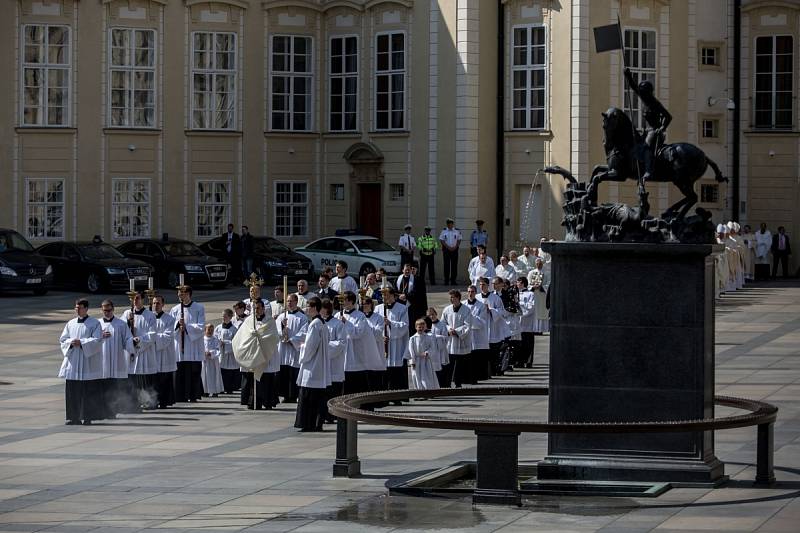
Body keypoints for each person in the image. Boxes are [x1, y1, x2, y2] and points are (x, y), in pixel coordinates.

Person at [59, 299, 104, 425]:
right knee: (73, 391)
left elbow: (97, 340)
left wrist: (82, 342)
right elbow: (63, 339)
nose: (77, 309)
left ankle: (88, 417)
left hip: (86, 362)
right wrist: (71, 343)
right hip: (73, 362)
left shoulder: (94, 323)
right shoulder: (71, 323)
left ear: (86, 309)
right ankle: (74, 417)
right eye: (76, 307)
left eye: (79, 307)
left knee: (87, 392)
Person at [624, 67, 672, 183]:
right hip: (647, 131)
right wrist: (628, 76)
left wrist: (662, 128)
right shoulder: (645, 100)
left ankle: (649, 171)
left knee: (646, 147)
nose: (641, 94)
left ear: (648, 92)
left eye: (643, 91)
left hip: (655, 132)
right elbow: (634, 88)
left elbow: (668, 116)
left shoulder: (654, 103)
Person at [294, 297, 331, 432]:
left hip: (313, 365)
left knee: (310, 395)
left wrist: (302, 347)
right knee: (317, 395)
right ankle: (315, 422)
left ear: (315, 308)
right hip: (318, 364)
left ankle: (310, 423)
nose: (306, 309)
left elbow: (311, 346)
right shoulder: (321, 323)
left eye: (308, 306)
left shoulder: (315, 324)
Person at [99, 299, 136, 418]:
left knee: (114, 387)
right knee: (103, 387)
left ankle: (113, 411)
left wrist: (133, 342)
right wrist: (100, 336)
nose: (107, 313)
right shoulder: (97, 324)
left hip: (116, 360)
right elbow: (89, 340)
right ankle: (102, 410)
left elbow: (127, 340)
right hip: (102, 362)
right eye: (105, 311)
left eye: (109, 310)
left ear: (113, 309)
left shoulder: (121, 324)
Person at [169, 285, 206, 403]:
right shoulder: (174, 309)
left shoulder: (199, 308)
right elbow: (170, 327)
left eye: (183, 294)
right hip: (179, 345)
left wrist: (187, 327)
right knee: (179, 372)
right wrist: (177, 325)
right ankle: (179, 395)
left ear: (189, 294)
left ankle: (193, 395)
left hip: (192, 346)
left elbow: (201, 327)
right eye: (179, 294)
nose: (180, 296)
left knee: (193, 371)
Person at [122, 292, 157, 410]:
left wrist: (139, 341)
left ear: (143, 299)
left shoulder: (150, 315)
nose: (135, 301)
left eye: (137, 298)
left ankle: (149, 402)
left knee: (144, 378)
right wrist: (128, 323)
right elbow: (122, 330)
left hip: (144, 352)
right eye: (133, 299)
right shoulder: (127, 313)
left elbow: (152, 334)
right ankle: (133, 403)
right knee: (132, 379)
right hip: (131, 351)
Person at [340, 291, 379, 394]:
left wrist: (346, 323)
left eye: (345, 300)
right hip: (342, 352)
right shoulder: (338, 315)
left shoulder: (360, 316)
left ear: (352, 301)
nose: (342, 302)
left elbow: (358, 333)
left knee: (356, 380)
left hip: (355, 352)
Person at [375, 289, 410, 396]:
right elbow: (374, 325)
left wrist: (390, 323)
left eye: (386, 295)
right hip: (383, 343)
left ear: (393, 296)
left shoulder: (402, 308)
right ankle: (384, 395)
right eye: (382, 295)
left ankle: (398, 397)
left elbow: (404, 325)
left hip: (397, 344)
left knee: (396, 371)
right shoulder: (378, 308)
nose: (384, 297)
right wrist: (381, 336)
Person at [277, 293, 308, 403]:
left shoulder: (302, 317)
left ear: (296, 302)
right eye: (288, 301)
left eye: (291, 301)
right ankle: (285, 395)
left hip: (294, 349)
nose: (289, 303)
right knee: (284, 372)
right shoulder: (281, 317)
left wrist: (292, 340)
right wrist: (282, 329)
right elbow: (276, 331)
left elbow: (304, 332)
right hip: (283, 349)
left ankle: (294, 395)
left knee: (293, 372)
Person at [321, 298, 346, 423]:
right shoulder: (319, 323)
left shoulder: (337, 324)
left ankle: (334, 414)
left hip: (334, 362)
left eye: (321, 308)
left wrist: (325, 346)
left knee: (334, 390)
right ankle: (325, 414)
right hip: (323, 363)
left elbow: (341, 343)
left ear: (326, 309)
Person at [441, 289, 472, 387]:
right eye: (450, 297)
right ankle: (447, 383)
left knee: (459, 365)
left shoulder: (466, 310)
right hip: (450, 340)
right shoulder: (447, 309)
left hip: (460, 341)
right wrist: (449, 329)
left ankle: (458, 383)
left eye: (453, 297)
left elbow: (468, 325)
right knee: (449, 364)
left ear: (458, 298)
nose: (451, 299)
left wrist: (457, 331)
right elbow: (443, 323)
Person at [152, 295, 176, 409]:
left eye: (158, 303)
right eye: (154, 303)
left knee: (164, 378)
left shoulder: (169, 319)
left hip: (165, 353)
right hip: (152, 353)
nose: (155, 305)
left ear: (163, 305)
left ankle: (164, 401)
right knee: (154, 379)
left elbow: (167, 336)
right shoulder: (149, 318)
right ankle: (153, 401)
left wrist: (152, 337)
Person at [463, 285, 490, 383]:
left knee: (475, 358)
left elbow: (482, 322)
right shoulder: (463, 305)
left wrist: (471, 317)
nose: (470, 293)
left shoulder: (481, 305)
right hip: (465, 334)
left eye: (473, 292)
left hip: (477, 335)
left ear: (475, 292)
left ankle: (476, 377)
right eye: (469, 291)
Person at [408, 318, 439, 390]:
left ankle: (428, 391)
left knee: (426, 376)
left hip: (426, 360)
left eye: (422, 327)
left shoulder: (428, 337)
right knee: (416, 376)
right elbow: (411, 350)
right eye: (419, 327)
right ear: (416, 327)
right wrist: (412, 361)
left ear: (425, 327)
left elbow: (432, 347)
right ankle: (419, 391)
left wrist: (427, 352)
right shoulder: (412, 338)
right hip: (416, 360)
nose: (421, 329)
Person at [215, 309, 239, 394]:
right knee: (221, 370)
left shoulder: (234, 329)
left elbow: (236, 342)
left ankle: (229, 387)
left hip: (230, 353)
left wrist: (225, 342)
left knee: (230, 371)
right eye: (222, 316)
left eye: (225, 316)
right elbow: (214, 339)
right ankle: (221, 387)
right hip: (221, 353)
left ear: (230, 317)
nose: (223, 318)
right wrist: (218, 343)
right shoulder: (218, 328)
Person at [427, 308, 450, 387]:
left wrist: (434, 337)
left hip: (441, 351)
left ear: (436, 314)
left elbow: (445, 338)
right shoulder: (427, 326)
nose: (431, 316)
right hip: (432, 353)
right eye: (429, 315)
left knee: (443, 370)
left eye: (433, 314)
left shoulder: (442, 324)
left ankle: (445, 386)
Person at [517, 277, 536, 368]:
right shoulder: (516, 294)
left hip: (527, 323)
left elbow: (531, 307)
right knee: (520, 344)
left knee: (528, 343)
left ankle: (528, 361)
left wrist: (521, 305)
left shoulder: (530, 294)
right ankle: (520, 361)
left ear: (523, 283)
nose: (517, 284)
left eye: (519, 282)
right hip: (518, 323)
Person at [396, 263, 421, 333]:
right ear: (402, 270)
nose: (407, 271)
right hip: (400, 302)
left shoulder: (415, 279)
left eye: (409, 270)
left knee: (410, 321)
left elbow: (416, 292)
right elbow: (395, 290)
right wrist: (399, 296)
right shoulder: (398, 279)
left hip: (410, 304)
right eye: (406, 270)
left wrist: (406, 296)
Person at [528, 259, 550, 334]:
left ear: (542, 264)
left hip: (542, 295)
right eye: (537, 263)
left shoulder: (546, 273)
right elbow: (528, 283)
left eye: (540, 263)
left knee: (542, 311)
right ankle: (535, 329)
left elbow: (548, 284)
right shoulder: (531, 272)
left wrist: (542, 287)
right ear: (535, 264)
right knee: (534, 310)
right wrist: (533, 286)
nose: (538, 265)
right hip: (534, 294)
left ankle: (542, 329)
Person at [202, 324, 224, 397]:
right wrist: (204, 353)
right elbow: (199, 349)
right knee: (204, 376)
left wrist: (211, 353)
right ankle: (205, 391)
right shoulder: (202, 340)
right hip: (205, 361)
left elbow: (218, 349)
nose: (210, 331)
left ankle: (215, 391)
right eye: (208, 329)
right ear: (205, 330)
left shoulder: (215, 339)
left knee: (214, 376)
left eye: (212, 330)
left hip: (213, 361)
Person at [439, 218, 462, 285]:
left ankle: (453, 281)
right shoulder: (444, 231)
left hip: (455, 250)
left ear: (452, 224)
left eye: (451, 224)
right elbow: (441, 240)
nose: (449, 225)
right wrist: (448, 247)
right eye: (448, 224)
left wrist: (455, 246)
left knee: (454, 265)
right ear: (447, 224)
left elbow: (459, 239)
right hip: (446, 250)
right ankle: (446, 280)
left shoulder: (457, 231)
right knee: (446, 265)